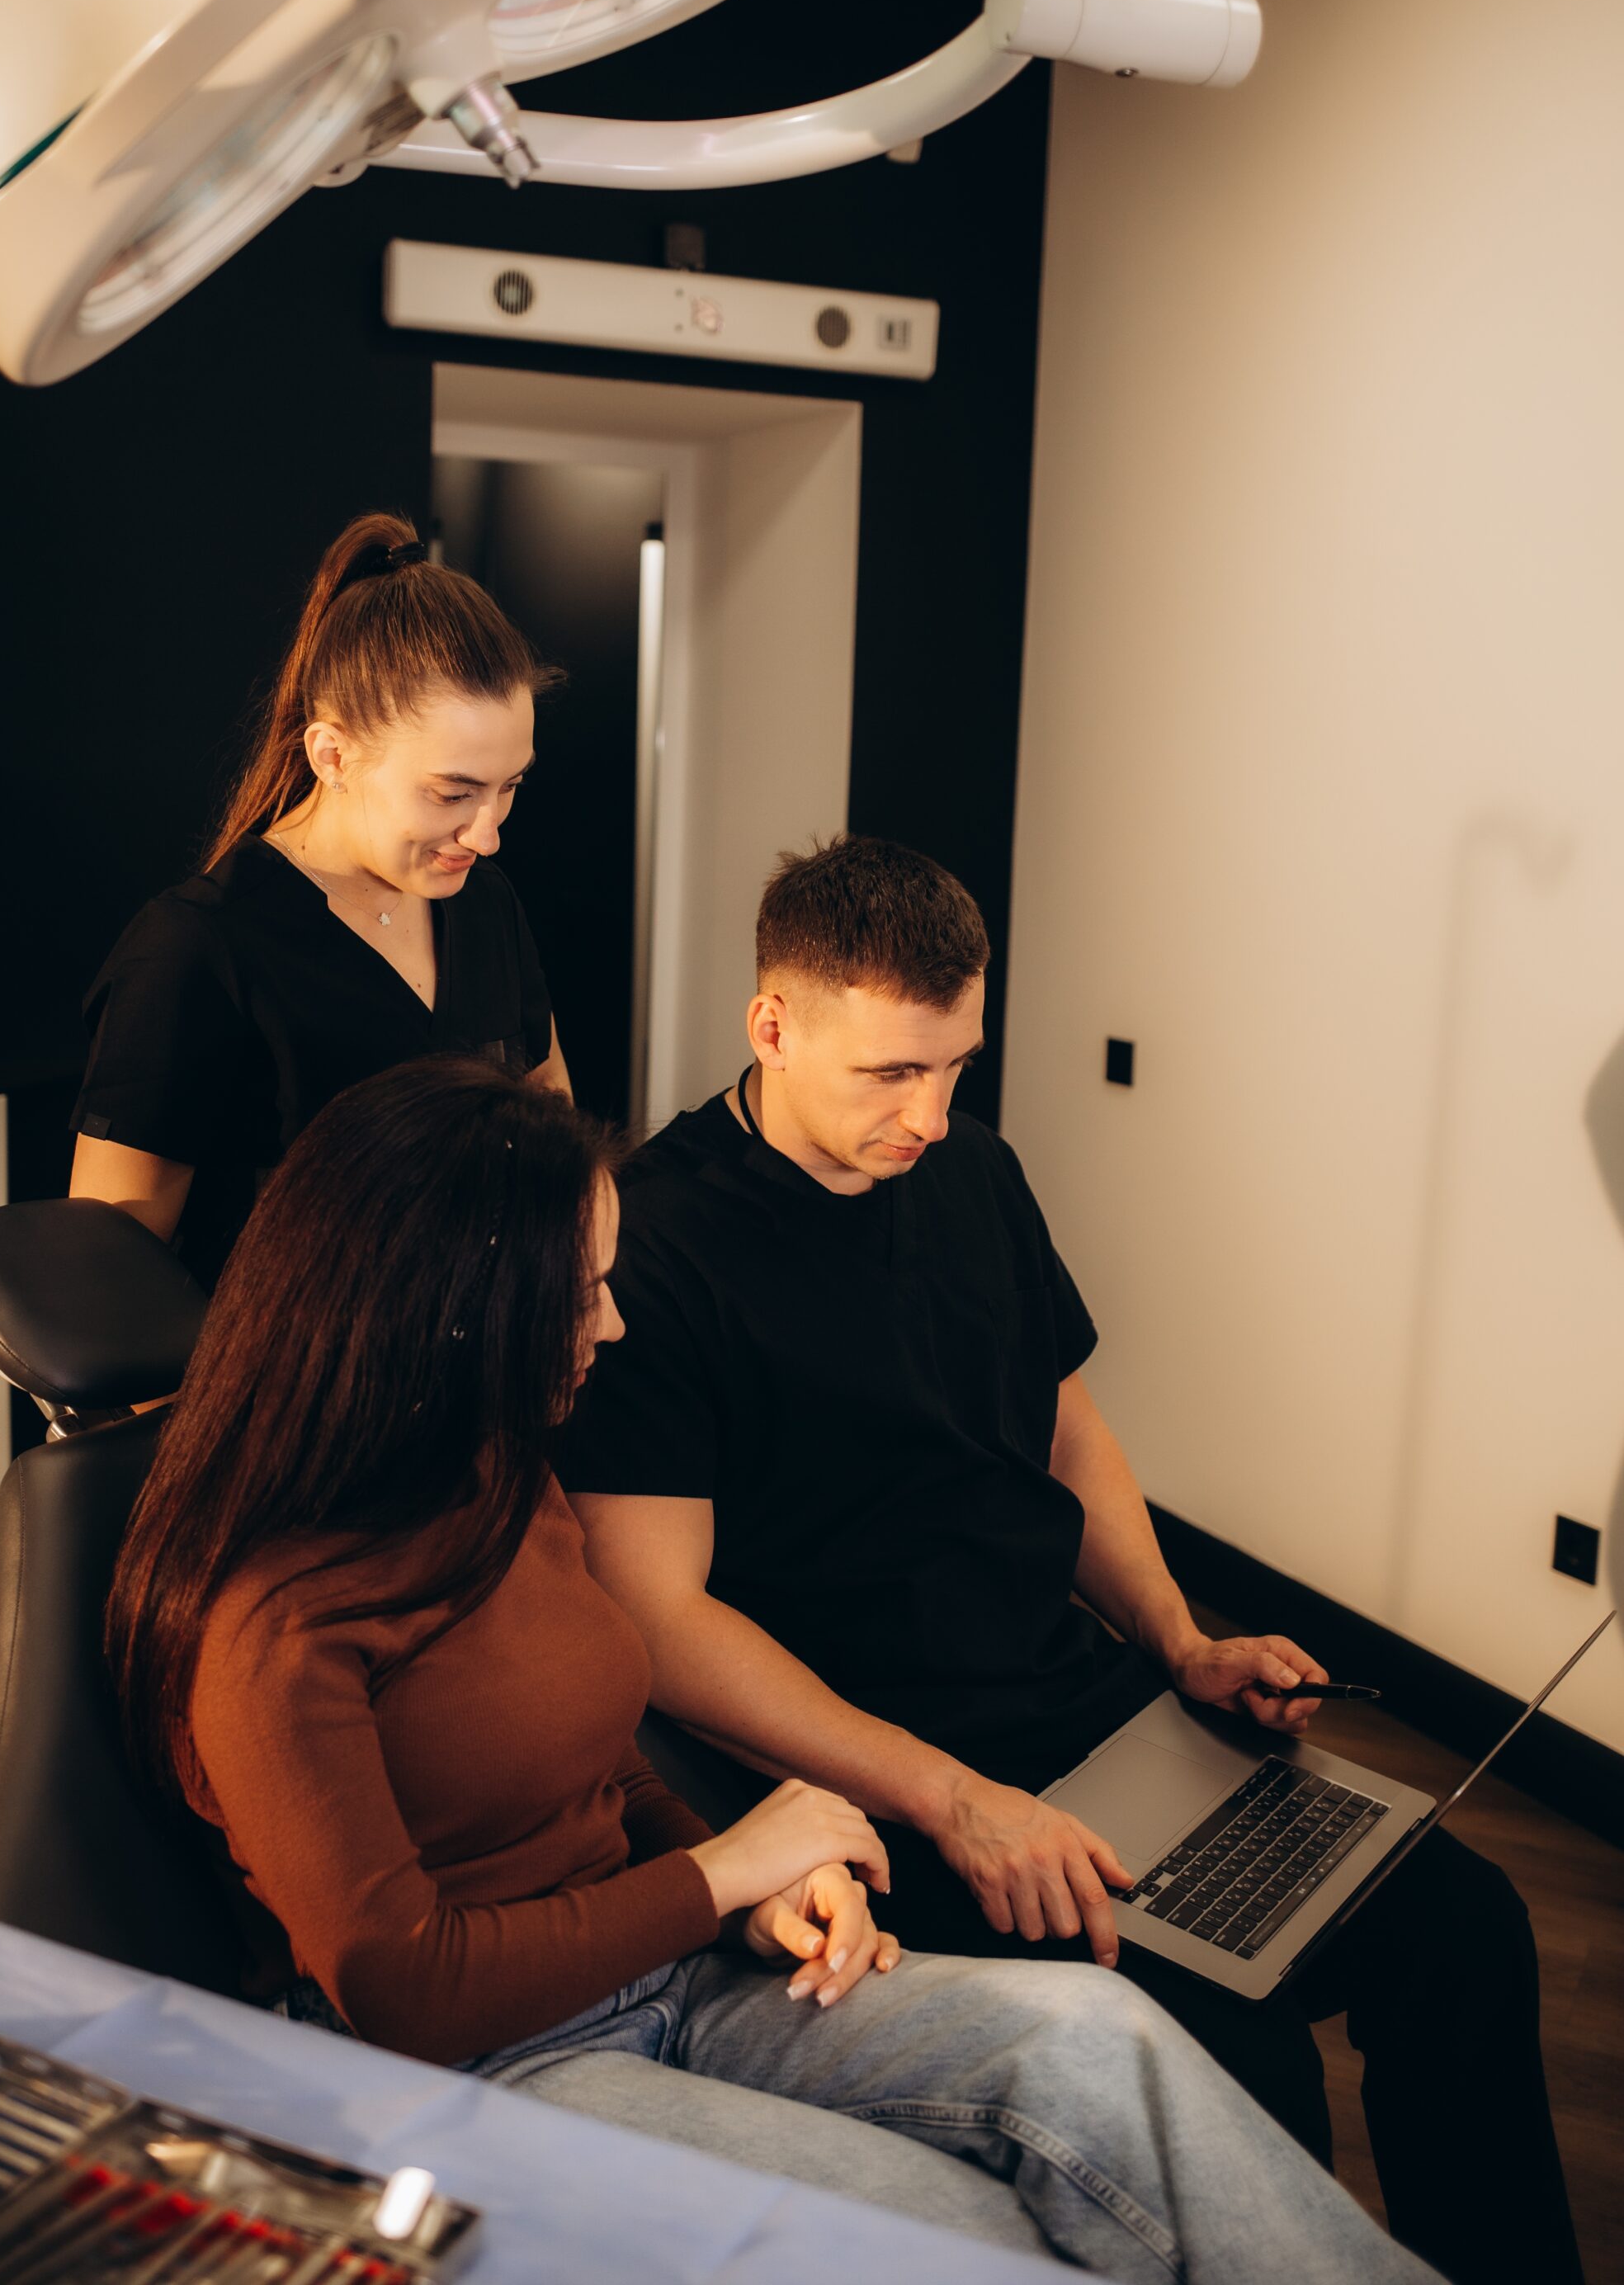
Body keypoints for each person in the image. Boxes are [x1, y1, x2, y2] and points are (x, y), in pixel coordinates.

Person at [106, 1052, 1437, 2284]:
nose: (613, 1325)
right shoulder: (272, 1626)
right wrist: (719, 1869)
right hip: (485, 2071)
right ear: (458, 1313)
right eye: (584, 1293)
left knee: (1105, 2040)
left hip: (675, 1973)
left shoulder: (494, 1466)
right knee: (965, 2232)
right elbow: (400, 1987)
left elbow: (595, 1740)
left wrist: (756, 1889)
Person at [555, 833, 1582, 2285]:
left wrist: (1177, 1642)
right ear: (771, 1025)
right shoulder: (656, 1246)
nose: (928, 1114)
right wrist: (955, 1800)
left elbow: (1063, 1430)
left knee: (1465, 1929)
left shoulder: (974, 1170)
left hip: (1088, 1710)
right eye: (887, 1075)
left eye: (954, 1066)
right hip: (902, 1776)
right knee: (1238, 2060)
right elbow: (656, 1617)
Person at [69, 512, 569, 1288]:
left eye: (510, 788)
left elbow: (548, 1119)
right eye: (452, 793)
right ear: (333, 755)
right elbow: (109, 1280)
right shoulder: (196, 950)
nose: (487, 833)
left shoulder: (484, 904)